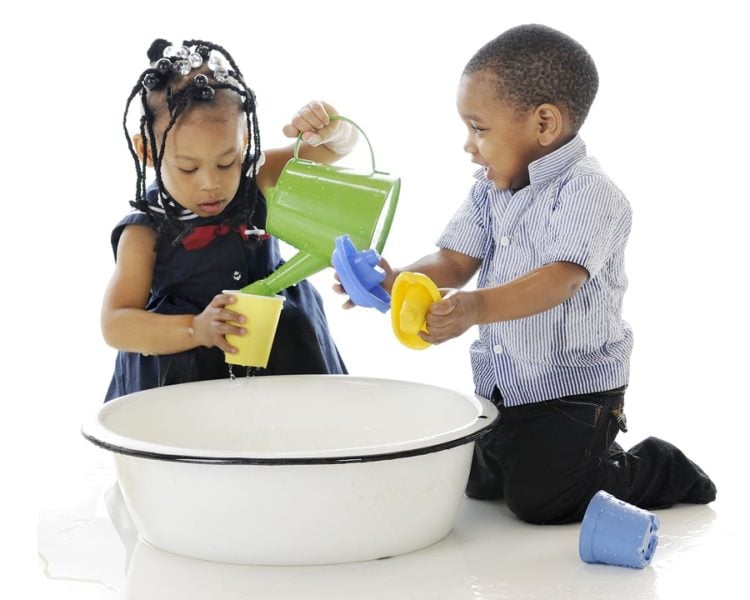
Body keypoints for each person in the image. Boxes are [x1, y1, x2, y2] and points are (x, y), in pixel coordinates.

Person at [346, 24, 716, 524]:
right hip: (505, 383)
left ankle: (655, 467)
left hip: (574, 390)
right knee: (475, 483)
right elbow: (455, 261)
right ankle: (520, 455)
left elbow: (559, 279)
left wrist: (474, 308)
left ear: (544, 124)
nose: (468, 146)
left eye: (479, 129)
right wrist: (396, 281)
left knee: (541, 502)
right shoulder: (490, 189)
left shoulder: (590, 193)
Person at [102, 38, 356, 401]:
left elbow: (334, 150)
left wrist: (331, 125)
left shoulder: (258, 176)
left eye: (226, 162)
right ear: (147, 151)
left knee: (296, 440)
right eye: (187, 168)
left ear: (246, 139)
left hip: (283, 351)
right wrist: (195, 329)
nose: (211, 184)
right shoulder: (145, 229)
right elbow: (116, 323)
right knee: (202, 451)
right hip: (183, 375)